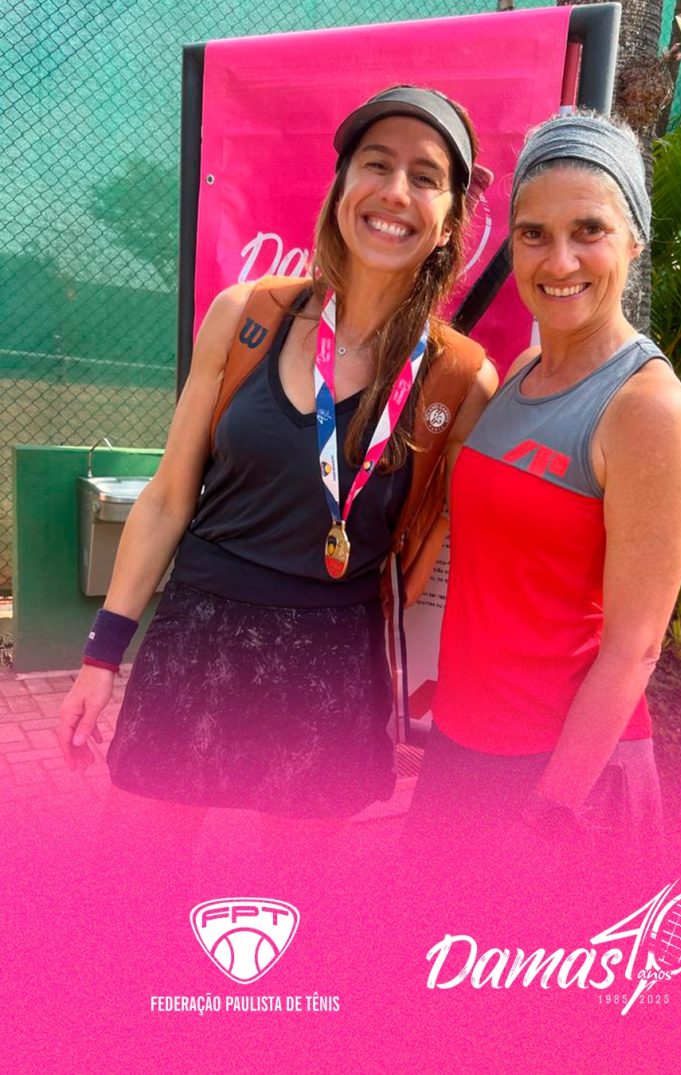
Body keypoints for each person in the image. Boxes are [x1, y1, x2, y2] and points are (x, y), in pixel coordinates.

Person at [57, 86, 497, 845]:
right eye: (376, 163)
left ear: (452, 220)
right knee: (134, 875)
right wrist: (101, 658)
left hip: (333, 661)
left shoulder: (462, 380)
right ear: (340, 186)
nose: (396, 192)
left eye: (426, 176)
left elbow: (458, 550)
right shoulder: (246, 316)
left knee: (296, 900)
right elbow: (167, 499)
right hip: (197, 637)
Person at [406, 113, 681, 877]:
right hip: (460, 750)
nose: (559, 259)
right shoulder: (521, 371)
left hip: (560, 779)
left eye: (589, 230)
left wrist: (552, 809)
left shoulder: (648, 408)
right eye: (534, 234)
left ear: (634, 240)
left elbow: (636, 647)